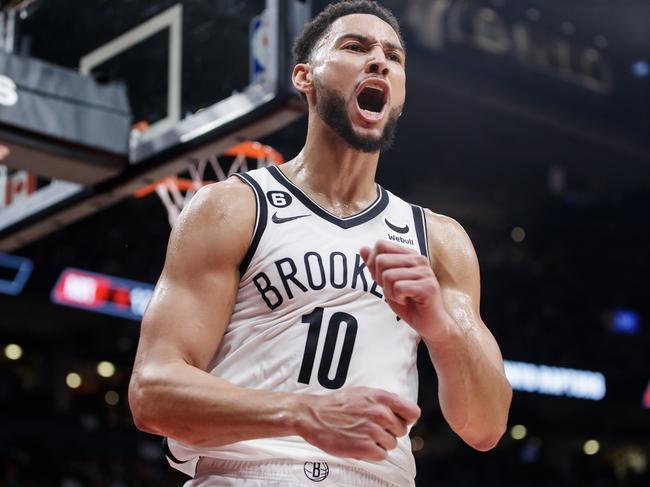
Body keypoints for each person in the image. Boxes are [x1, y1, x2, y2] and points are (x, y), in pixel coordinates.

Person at [128, 1, 512, 486]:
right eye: (355, 47)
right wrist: (302, 414)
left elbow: (486, 426)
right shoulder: (231, 207)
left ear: (400, 95)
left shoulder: (439, 239)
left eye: (394, 57)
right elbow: (152, 391)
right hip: (247, 472)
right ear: (304, 77)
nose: (379, 61)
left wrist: (442, 328)